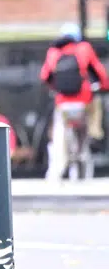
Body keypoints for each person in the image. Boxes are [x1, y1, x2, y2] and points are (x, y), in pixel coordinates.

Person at [40, 23, 106, 180]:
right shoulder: (84, 48)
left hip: (62, 102)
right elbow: (100, 73)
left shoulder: (53, 52)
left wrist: (55, 87)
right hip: (83, 100)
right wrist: (102, 85)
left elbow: (44, 76)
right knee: (95, 107)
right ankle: (95, 132)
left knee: (59, 129)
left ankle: (57, 169)